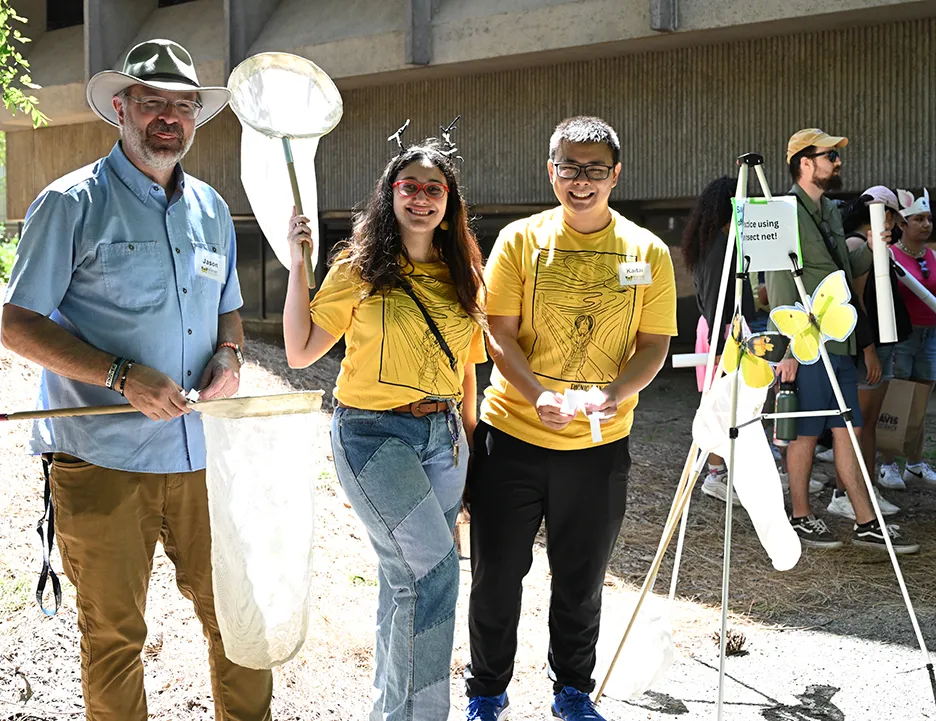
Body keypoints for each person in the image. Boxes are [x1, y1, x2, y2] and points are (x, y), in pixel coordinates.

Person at [0, 39, 273, 720]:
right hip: (101, 463)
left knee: (241, 617)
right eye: (154, 104)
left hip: (202, 459)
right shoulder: (70, 203)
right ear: (121, 107)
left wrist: (231, 356)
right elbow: (16, 322)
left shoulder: (211, 208)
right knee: (117, 636)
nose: (169, 119)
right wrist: (122, 376)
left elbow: (229, 309)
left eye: (183, 107)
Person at [464, 116, 677, 721]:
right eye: (568, 167)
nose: (580, 181)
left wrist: (615, 393)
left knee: (581, 581)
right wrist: (537, 397)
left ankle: (573, 691)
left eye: (593, 169)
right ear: (550, 170)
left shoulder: (646, 252)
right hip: (512, 436)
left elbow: (653, 345)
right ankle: (486, 690)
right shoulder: (521, 241)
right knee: (497, 576)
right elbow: (499, 334)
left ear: (616, 174)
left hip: (598, 443)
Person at [282, 136, 487, 720]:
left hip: (444, 440)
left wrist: (470, 455)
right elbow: (299, 351)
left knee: (404, 582)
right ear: (390, 195)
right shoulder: (358, 267)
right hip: (372, 435)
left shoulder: (464, 272)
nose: (421, 199)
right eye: (409, 187)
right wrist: (299, 265)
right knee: (433, 573)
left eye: (434, 189)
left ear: (449, 201)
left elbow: (466, 374)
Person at [766, 128, 917, 553]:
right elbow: (777, 283)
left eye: (836, 155)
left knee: (846, 428)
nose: (837, 162)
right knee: (807, 434)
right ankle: (801, 516)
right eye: (829, 155)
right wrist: (789, 348)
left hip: (838, 338)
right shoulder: (781, 211)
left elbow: (842, 268)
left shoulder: (829, 210)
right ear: (805, 162)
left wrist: (874, 245)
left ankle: (864, 521)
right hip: (809, 341)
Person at [824, 186, 908, 519]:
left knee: (868, 423)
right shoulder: (857, 245)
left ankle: (865, 488)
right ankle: (848, 492)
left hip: (881, 345)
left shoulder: (872, 245)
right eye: (892, 215)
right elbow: (855, 302)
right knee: (858, 425)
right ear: (880, 214)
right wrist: (869, 348)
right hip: (867, 348)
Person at [880, 188, 936, 488]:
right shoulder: (890, 256)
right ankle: (888, 465)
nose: (926, 224)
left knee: (920, 402)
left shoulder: (934, 257)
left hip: (931, 336)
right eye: (919, 219)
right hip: (902, 337)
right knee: (897, 400)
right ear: (902, 223)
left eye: (928, 218)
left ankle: (915, 464)